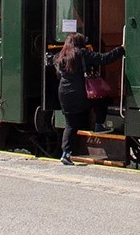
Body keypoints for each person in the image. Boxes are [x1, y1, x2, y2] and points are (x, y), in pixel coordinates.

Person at [53, 33, 125, 165]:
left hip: (64, 93)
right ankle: (99, 125)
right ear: (80, 43)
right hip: (80, 92)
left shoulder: (60, 56)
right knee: (102, 98)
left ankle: (65, 153)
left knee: (70, 125)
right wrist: (121, 48)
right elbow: (105, 59)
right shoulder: (82, 53)